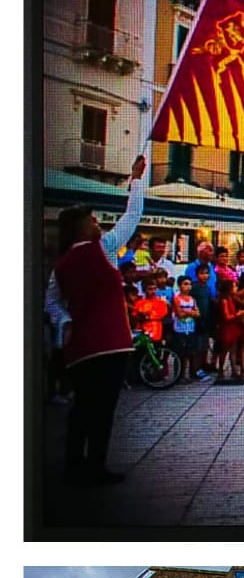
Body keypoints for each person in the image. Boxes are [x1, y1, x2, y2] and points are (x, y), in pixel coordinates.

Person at [45, 153, 147, 484]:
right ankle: (93, 466)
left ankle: (76, 464)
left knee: (83, 408)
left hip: (82, 349)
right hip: (111, 343)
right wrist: (136, 180)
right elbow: (132, 215)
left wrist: (65, 324)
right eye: (92, 219)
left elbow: (52, 302)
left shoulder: (61, 265)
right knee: (102, 410)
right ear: (81, 226)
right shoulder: (101, 249)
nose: (97, 223)